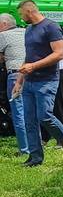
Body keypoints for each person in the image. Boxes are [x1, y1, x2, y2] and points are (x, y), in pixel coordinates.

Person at [12, 0, 63, 167]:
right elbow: (28, 57)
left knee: (44, 116)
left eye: (21, 14)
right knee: (29, 120)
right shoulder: (29, 30)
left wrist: (33, 66)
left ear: (29, 11)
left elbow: (59, 54)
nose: (20, 17)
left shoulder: (51, 27)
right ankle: (35, 157)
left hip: (47, 80)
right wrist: (19, 81)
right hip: (30, 81)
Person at [0, 13, 29, 156]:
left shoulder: (3, 36)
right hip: (32, 74)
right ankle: (36, 145)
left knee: (18, 113)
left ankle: (24, 149)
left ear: (4, 24)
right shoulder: (26, 32)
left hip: (15, 76)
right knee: (31, 111)